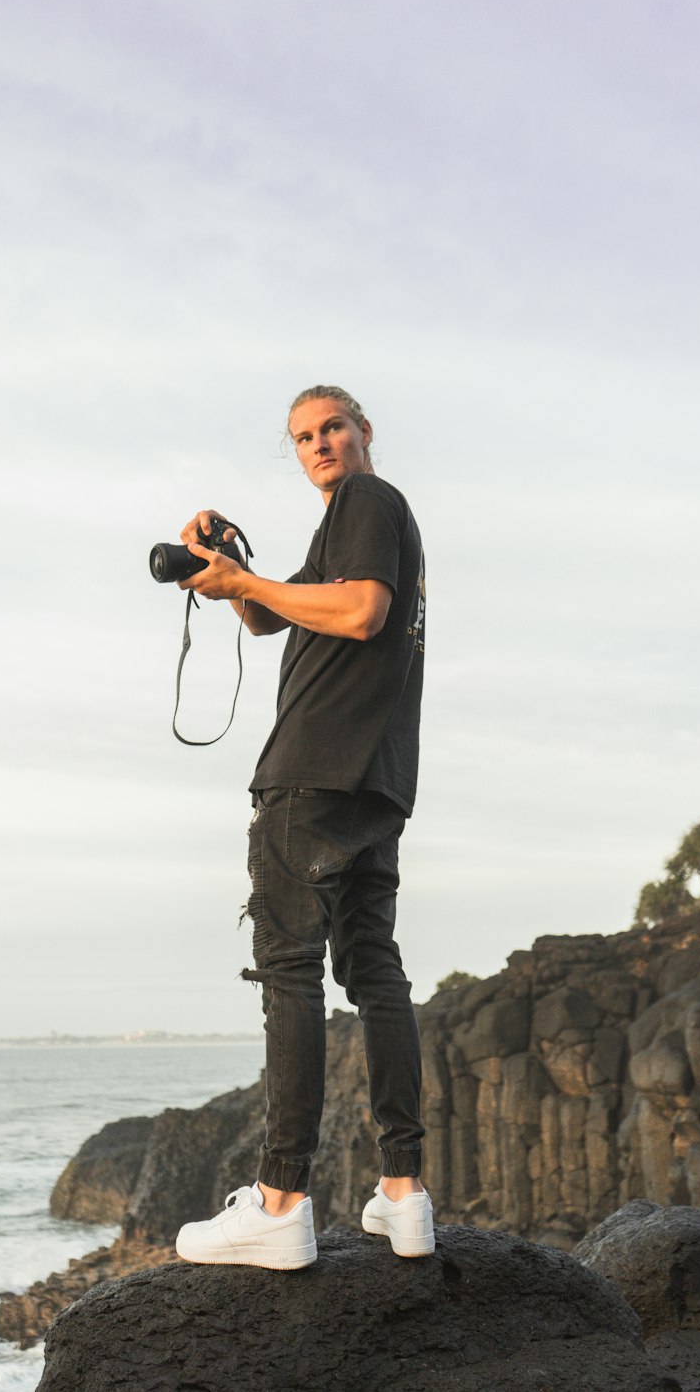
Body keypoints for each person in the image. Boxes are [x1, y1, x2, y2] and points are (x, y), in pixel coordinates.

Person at [172, 386, 433, 1270]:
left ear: (365, 434)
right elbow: (288, 610)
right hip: (377, 780)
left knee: (290, 974)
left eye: (333, 428)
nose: (320, 444)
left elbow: (359, 613)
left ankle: (280, 1200)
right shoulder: (368, 526)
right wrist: (234, 570)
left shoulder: (369, 499)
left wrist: (245, 580)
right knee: (372, 970)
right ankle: (404, 1193)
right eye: (304, 437)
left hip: (310, 776)